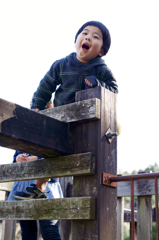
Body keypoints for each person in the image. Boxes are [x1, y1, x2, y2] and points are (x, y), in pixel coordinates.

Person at [13, 20, 118, 201]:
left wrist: (98, 83)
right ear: (77, 40)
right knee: (49, 151)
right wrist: (36, 107)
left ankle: (41, 187)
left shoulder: (101, 69)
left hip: (86, 124)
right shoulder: (62, 64)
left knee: (73, 158)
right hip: (60, 119)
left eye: (95, 36)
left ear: (101, 51)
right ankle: (39, 187)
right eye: (84, 33)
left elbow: (114, 90)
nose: (88, 37)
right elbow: (45, 86)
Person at [8, 101, 62, 240]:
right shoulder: (25, 131)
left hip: (46, 186)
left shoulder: (52, 128)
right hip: (25, 185)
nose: (34, 110)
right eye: (33, 107)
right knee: (28, 231)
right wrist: (18, 158)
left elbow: (56, 153)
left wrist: (36, 157)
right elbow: (16, 155)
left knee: (49, 229)